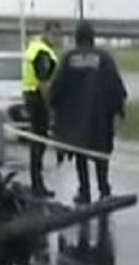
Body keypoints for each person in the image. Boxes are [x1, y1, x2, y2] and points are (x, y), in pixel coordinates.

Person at [49, 20, 127, 204]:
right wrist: (118, 110)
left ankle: (84, 191)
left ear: (76, 38)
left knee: (80, 155)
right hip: (100, 118)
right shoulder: (104, 58)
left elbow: (57, 88)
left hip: (76, 119)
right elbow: (116, 86)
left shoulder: (69, 59)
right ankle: (104, 188)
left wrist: (55, 110)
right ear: (93, 38)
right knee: (101, 155)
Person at [22, 21, 61, 197]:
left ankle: (36, 183)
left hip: (30, 95)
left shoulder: (34, 47)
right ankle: (37, 185)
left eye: (58, 34)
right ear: (45, 32)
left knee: (36, 143)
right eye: (53, 34)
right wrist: (50, 108)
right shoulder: (42, 52)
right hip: (38, 98)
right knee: (39, 143)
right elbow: (44, 82)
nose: (56, 38)